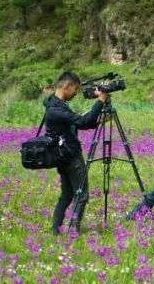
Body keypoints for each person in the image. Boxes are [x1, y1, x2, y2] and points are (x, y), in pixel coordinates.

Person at [43, 71, 109, 235]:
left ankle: (55, 230)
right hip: (70, 157)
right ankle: (72, 231)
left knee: (67, 194)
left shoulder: (53, 104)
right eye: (75, 90)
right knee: (82, 194)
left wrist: (98, 121)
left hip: (62, 156)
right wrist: (101, 101)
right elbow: (81, 121)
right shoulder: (56, 110)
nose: (75, 94)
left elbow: (77, 124)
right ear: (67, 86)